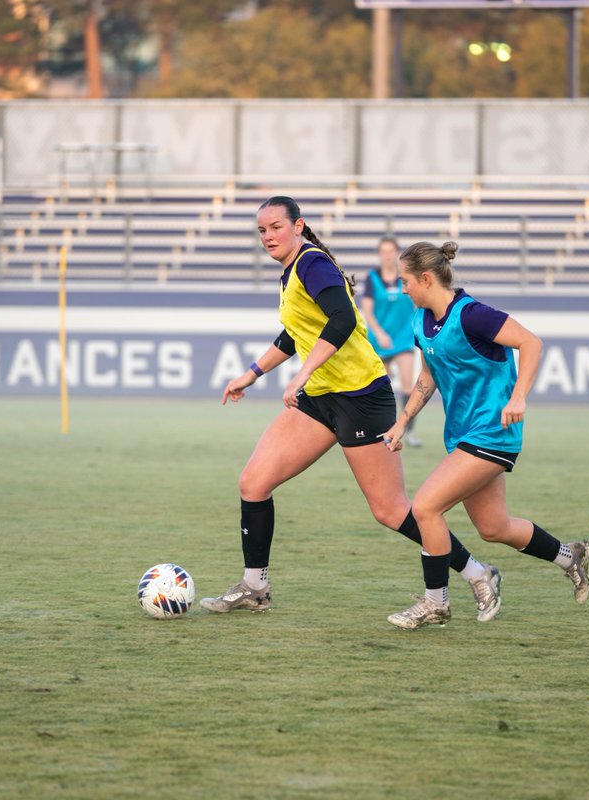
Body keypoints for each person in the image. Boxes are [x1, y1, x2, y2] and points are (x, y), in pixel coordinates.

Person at [200, 197, 503, 623]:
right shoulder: (293, 270)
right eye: (262, 230)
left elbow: (341, 321)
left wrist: (302, 374)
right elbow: (295, 333)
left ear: (298, 226)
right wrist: (252, 373)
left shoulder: (312, 264)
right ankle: (255, 587)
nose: (268, 236)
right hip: (321, 397)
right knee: (253, 482)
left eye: (276, 227)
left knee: (390, 510)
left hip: (361, 397)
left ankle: (477, 572)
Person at [382, 240, 589, 630]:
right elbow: (427, 376)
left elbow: (531, 343)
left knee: (425, 507)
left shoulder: (473, 315)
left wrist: (519, 396)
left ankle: (435, 603)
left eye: (405, 281)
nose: (402, 288)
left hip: (493, 431)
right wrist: (403, 421)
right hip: (462, 435)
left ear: (426, 279)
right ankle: (570, 557)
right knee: (494, 528)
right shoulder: (420, 321)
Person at [360, 235, 421, 447]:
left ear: (397, 253)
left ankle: (409, 430)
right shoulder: (372, 278)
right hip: (379, 340)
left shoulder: (406, 277)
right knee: (379, 385)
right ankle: (378, 429)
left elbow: (416, 303)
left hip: (403, 339)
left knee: (408, 383)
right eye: (383, 252)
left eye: (391, 251)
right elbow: (367, 311)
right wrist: (379, 333)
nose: (387, 256)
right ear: (379, 254)